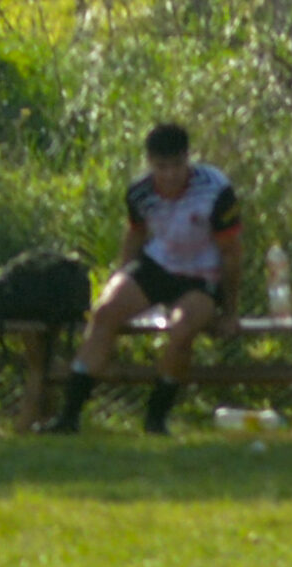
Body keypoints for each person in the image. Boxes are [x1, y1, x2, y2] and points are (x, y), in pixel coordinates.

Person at [39, 122, 240, 436]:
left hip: (201, 275)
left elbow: (231, 253)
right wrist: (121, 278)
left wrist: (229, 312)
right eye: (162, 167)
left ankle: (156, 418)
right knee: (105, 312)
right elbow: (135, 236)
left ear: (189, 159)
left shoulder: (216, 190)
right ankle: (69, 416)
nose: (170, 175)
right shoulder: (140, 192)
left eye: (177, 166)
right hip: (157, 266)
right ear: (149, 163)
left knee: (182, 329)